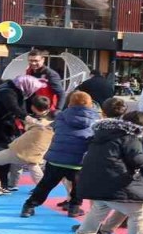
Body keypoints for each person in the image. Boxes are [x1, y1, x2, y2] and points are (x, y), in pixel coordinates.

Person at [69, 111, 143, 234]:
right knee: (140, 210)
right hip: (114, 180)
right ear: (141, 126)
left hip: (93, 179)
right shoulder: (130, 137)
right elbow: (136, 159)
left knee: (101, 205)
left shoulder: (103, 134)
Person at [21, 90, 100, 218]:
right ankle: (74, 207)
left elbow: (54, 127)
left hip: (57, 158)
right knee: (78, 187)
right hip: (79, 160)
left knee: (45, 185)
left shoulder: (62, 116)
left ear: (70, 103)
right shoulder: (95, 119)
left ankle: (29, 206)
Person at [0, 74, 45, 194]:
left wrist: (27, 119)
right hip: (5, 132)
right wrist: (29, 119)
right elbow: (16, 109)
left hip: (1, 131)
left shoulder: (13, 93)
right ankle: (3, 185)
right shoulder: (10, 94)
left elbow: (16, 110)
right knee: (9, 160)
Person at [0, 96, 54, 194]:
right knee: (32, 165)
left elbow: (26, 122)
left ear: (33, 107)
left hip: (19, 150)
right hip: (37, 152)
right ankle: (40, 188)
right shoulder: (53, 123)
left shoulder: (33, 122)